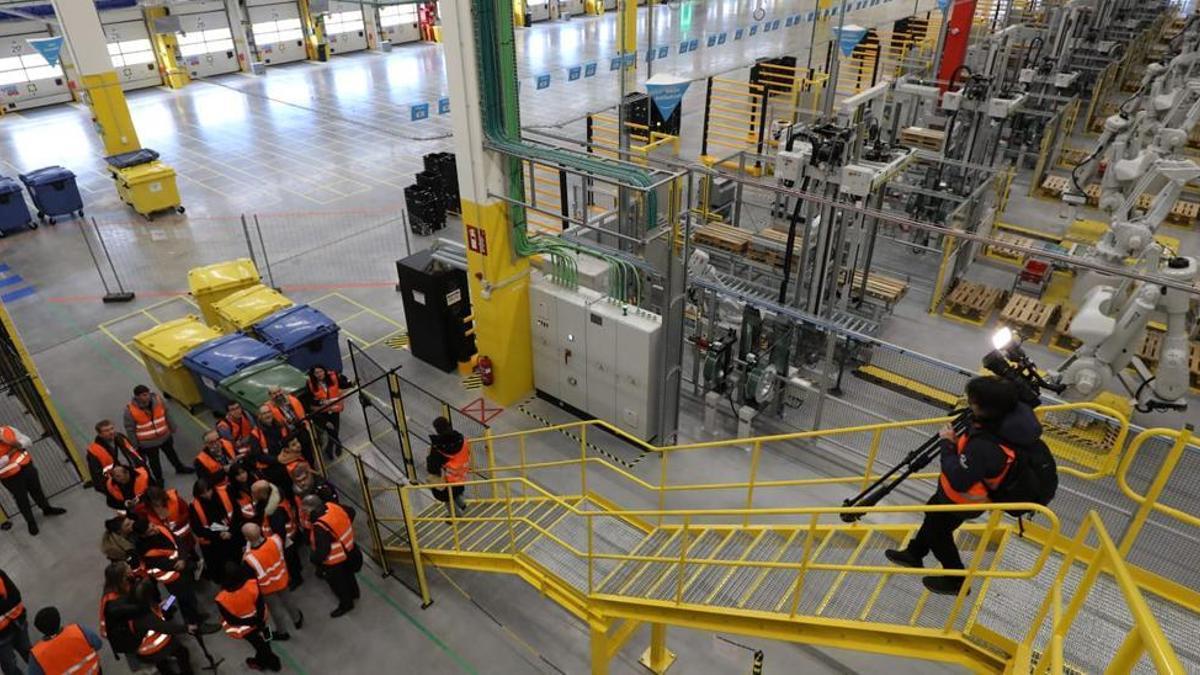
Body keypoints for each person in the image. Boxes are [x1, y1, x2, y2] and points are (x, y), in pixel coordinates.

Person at [885, 376, 1040, 595]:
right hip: (951, 495)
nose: (968, 402)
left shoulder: (985, 446)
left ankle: (956, 580)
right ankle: (914, 553)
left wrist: (947, 443)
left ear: (983, 407)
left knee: (940, 535)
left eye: (972, 400)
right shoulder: (998, 422)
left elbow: (959, 479)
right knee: (932, 517)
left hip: (961, 500)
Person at [131, 517, 217, 635]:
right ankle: (195, 625)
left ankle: (195, 617)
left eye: (152, 526)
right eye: (150, 530)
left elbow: (178, 541)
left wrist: (182, 558)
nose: (154, 529)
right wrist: (182, 562)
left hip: (182, 572)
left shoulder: (161, 529)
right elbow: (167, 564)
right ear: (144, 535)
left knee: (189, 598)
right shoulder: (146, 550)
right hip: (173, 580)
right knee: (186, 602)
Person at [0, 425, 66, 535]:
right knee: (21, 499)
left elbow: (28, 441)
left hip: (26, 466)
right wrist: (11, 453)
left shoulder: (7, 430)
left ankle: (46, 509)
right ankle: (30, 522)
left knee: (37, 490)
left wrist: (13, 443)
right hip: (9, 476)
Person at [214, 563, 280, 672]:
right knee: (266, 637)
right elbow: (260, 603)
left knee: (258, 645)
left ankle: (263, 662)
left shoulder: (222, 598)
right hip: (260, 619)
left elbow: (231, 620)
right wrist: (257, 619)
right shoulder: (251, 584)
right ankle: (271, 659)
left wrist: (250, 622)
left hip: (245, 628)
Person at [241, 523, 303, 640]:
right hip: (282, 579)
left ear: (246, 538)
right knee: (288, 600)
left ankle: (282, 632)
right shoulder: (276, 540)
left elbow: (250, 577)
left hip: (267, 588)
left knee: (275, 610)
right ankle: (297, 619)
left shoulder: (249, 558)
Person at [302, 495, 360, 617]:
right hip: (349, 549)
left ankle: (346, 604)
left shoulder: (320, 526)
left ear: (312, 508)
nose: (304, 512)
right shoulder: (333, 507)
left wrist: (314, 559)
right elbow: (351, 511)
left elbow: (323, 550)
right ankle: (355, 593)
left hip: (334, 560)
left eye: (305, 510)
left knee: (339, 584)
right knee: (349, 575)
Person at [124, 385, 192, 483]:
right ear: (137, 397)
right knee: (154, 462)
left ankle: (179, 468)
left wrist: (172, 427)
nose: (147, 396)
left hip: (164, 436)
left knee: (172, 454)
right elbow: (130, 429)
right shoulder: (130, 410)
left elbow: (166, 413)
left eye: (147, 394)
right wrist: (135, 445)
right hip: (148, 442)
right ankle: (159, 478)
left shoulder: (158, 401)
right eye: (144, 395)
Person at [127, 579, 194, 675]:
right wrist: (187, 628)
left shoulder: (135, 608)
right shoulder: (145, 616)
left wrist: (161, 606)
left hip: (144, 649)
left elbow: (155, 615)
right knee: (182, 652)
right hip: (152, 649)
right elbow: (167, 628)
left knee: (161, 663)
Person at [251, 480, 302, 589]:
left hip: (285, 540)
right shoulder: (274, 495)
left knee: (290, 560)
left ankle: (297, 578)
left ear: (262, 494)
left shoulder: (275, 512)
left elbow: (280, 533)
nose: (252, 496)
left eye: (254, 493)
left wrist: (278, 547)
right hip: (288, 536)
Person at [189, 479, 242, 584]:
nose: (207, 495)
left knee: (237, 559)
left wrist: (230, 531)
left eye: (208, 490)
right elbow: (198, 529)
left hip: (232, 534)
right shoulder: (194, 506)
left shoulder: (225, 493)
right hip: (214, 542)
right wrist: (219, 534)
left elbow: (237, 513)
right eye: (203, 493)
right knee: (219, 566)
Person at [27, 607, 102, 675]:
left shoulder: (37, 654)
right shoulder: (78, 630)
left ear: (40, 629)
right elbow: (98, 644)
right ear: (59, 619)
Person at [426, 416, 470, 515]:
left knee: (445, 495)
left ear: (437, 430)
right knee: (455, 492)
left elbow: (432, 468)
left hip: (449, 480)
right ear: (449, 425)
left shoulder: (439, 448)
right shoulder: (461, 439)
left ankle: (455, 516)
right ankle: (462, 505)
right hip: (462, 475)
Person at [87, 419, 147, 491]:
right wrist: (107, 489)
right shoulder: (94, 451)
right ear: (100, 434)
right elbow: (96, 474)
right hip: (121, 483)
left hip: (136, 474)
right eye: (106, 431)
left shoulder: (121, 438)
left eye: (112, 428)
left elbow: (133, 453)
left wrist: (144, 466)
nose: (111, 432)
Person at [306, 366, 349, 459]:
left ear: (324, 371)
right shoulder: (311, 384)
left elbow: (343, 385)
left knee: (335, 429)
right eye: (316, 373)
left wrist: (351, 383)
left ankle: (334, 446)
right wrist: (321, 402)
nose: (319, 374)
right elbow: (310, 399)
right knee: (330, 430)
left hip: (334, 409)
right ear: (313, 374)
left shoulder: (332, 378)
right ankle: (335, 446)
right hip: (323, 411)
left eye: (321, 371)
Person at [147, 486, 195, 556]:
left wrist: (177, 522)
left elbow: (187, 512)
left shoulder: (175, 500)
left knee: (190, 550)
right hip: (170, 538)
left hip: (184, 534)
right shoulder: (150, 510)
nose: (157, 503)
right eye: (154, 501)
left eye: (158, 499)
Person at [0, 568, 30, 675]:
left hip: (18, 625)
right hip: (2, 639)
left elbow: (16, 597)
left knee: (31, 656)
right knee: (10, 669)